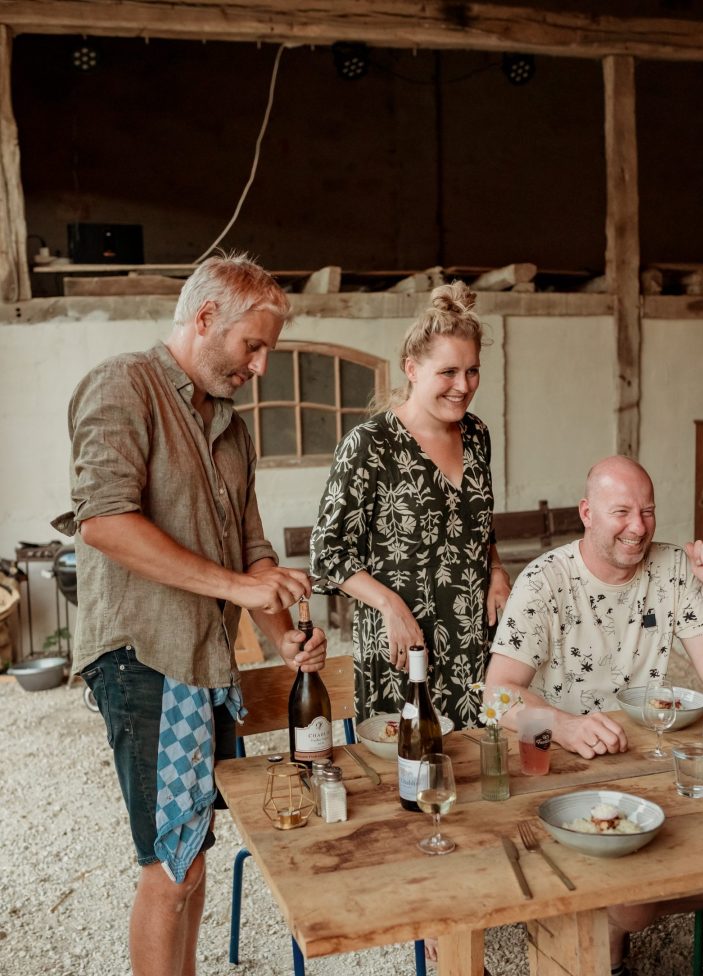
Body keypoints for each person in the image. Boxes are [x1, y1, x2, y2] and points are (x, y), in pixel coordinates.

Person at [53, 253, 327, 976]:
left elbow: (252, 551)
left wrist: (284, 638)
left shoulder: (232, 430)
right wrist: (239, 591)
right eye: (253, 346)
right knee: (168, 871)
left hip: (205, 662)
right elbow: (105, 522)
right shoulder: (124, 385)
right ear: (205, 319)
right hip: (145, 656)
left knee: (192, 860)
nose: (261, 366)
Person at [485, 454, 703, 974]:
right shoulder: (544, 581)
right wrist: (562, 726)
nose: (638, 527)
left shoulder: (673, 569)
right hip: (567, 772)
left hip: (650, 757)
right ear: (586, 513)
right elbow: (497, 695)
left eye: (648, 511)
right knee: (630, 898)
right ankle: (612, 929)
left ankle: (621, 917)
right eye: (622, 512)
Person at [310, 280, 511, 731]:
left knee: (476, 777)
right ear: (412, 369)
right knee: (406, 781)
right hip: (402, 650)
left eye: (473, 371)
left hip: (473, 643)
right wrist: (391, 608)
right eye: (448, 372)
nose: (464, 385)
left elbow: (478, 525)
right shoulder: (369, 445)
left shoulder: (477, 435)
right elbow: (328, 553)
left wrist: (496, 569)